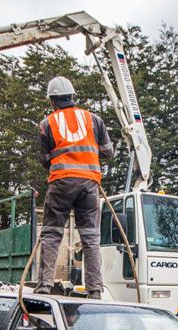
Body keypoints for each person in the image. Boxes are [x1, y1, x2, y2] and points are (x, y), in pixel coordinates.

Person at [35, 76, 113, 299]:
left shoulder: (46, 124)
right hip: (89, 184)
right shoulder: (94, 120)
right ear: (72, 96)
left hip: (61, 183)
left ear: (52, 101)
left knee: (51, 234)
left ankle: (45, 285)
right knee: (91, 238)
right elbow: (108, 152)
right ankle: (95, 290)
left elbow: (45, 160)